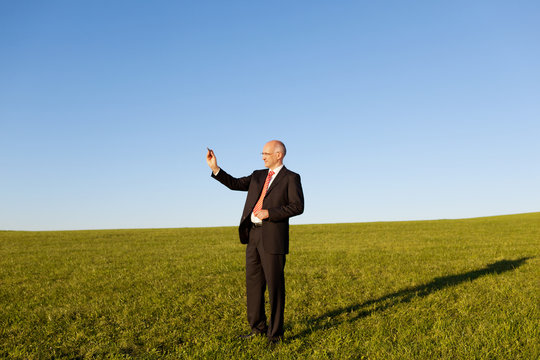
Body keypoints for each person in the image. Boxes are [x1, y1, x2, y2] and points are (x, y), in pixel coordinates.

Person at [206, 140, 304, 345]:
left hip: (273, 237)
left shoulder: (291, 178)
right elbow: (234, 184)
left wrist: (271, 213)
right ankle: (258, 328)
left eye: (266, 153)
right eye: (262, 153)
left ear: (279, 155)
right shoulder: (258, 175)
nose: (263, 157)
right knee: (254, 284)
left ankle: (275, 335)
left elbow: (297, 206)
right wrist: (215, 168)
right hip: (253, 236)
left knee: (275, 287)